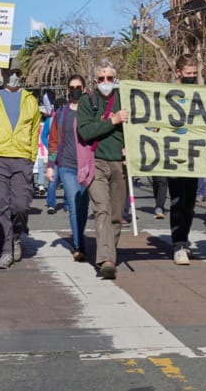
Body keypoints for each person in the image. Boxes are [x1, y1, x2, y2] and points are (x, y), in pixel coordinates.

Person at [0, 57, 42, 270]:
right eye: (10, 72)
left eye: (18, 72)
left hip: (22, 158)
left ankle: (16, 235)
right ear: (2, 73)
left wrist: (31, 156)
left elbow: (35, 130)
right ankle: (6, 249)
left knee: (20, 205)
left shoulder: (30, 100)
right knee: (0, 205)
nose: (14, 76)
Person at [77, 59, 129, 280]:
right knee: (103, 209)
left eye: (109, 78)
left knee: (116, 215)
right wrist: (112, 121)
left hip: (120, 164)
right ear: (95, 80)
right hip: (96, 162)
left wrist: (131, 148)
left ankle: (109, 251)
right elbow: (86, 131)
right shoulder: (87, 101)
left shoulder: (124, 99)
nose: (105, 82)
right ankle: (107, 260)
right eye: (101, 78)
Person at [46, 75, 94, 261]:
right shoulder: (62, 113)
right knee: (74, 204)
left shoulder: (90, 111)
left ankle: (79, 236)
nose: (75, 90)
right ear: (67, 90)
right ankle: (79, 245)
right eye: (72, 87)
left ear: (84, 88)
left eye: (78, 87)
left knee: (83, 207)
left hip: (87, 165)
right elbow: (54, 141)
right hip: (66, 166)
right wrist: (51, 165)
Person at [168, 55, 201, 265]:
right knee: (177, 200)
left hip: (194, 154)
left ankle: (184, 239)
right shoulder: (167, 94)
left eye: (194, 74)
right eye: (188, 74)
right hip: (172, 153)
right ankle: (178, 244)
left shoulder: (201, 94)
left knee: (189, 202)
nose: (192, 77)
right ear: (178, 72)